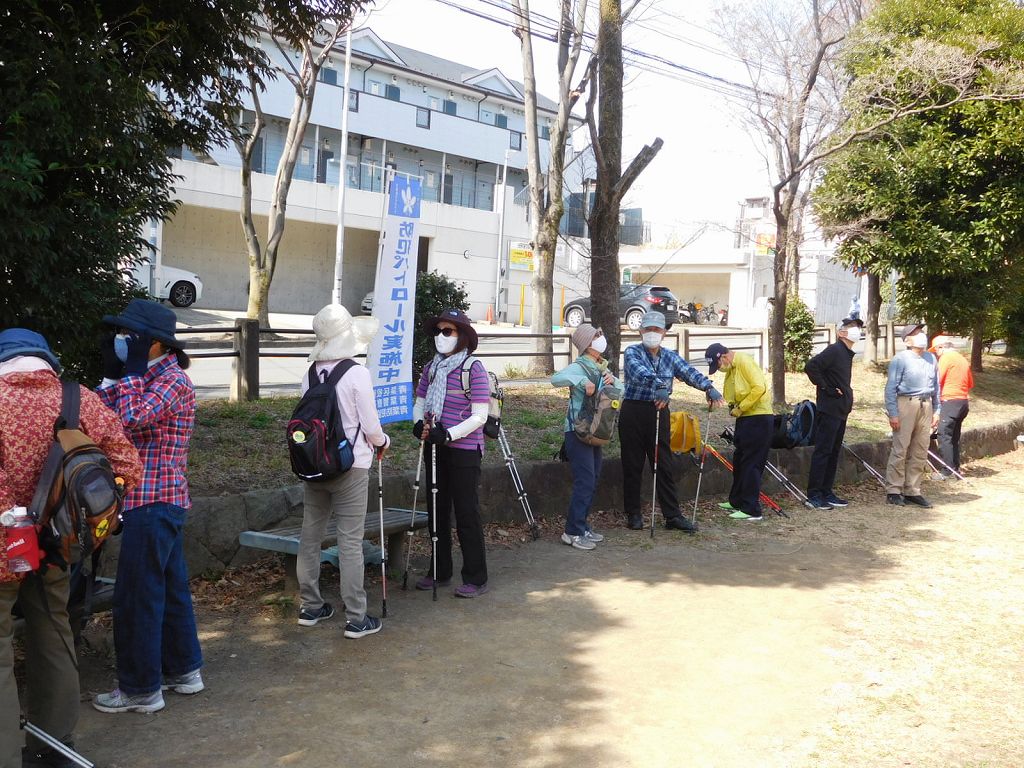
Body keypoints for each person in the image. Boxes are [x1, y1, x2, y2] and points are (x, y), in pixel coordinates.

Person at [0, 329, 141, 767]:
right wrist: (82, 521)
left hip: (4, 549)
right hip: (58, 546)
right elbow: (126, 468)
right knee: (55, 636)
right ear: (46, 361)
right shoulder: (77, 400)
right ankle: (55, 748)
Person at [92, 299, 204, 714]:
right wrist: (112, 374)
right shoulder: (143, 376)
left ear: (155, 344)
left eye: (131, 337)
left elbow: (130, 418)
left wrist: (131, 371)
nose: (124, 341)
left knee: (137, 597)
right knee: (171, 591)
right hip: (155, 501)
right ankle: (184, 670)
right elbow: (102, 418)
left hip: (153, 501)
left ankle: (140, 689)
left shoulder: (172, 380)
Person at [295, 304, 389, 638]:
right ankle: (356, 617)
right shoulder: (356, 373)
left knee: (311, 535)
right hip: (351, 467)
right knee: (350, 540)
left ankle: (310, 606)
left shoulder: (308, 373)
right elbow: (370, 424)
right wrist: (382, 441)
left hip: (314, 466)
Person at [620, 311, 725, 532]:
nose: (652, 333)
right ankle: (634, 513)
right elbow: (639, 371)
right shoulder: (632, 351)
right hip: (634, 411)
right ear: (640, 331)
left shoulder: (669, 356)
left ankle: (672, 515)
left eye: (656, 330)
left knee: (664, 464)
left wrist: (708, 386)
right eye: (647, 329)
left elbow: (688, 372)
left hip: (659, 413)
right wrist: (658, 385)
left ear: (664, 333)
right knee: (632, 465)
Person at [412, 308, 489, 597]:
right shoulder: (431, 368)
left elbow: (480, 415)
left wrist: (449, 434)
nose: (441, 337)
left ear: (462, 337)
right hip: (434, 447)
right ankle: (438, 570)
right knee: (436, 510)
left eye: (448, 331)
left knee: (466, 512)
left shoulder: (473, 369)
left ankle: (476, 577)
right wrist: (418, 423)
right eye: (438, 331)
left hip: (465, 451)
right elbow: (420, 400)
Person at [550, 324, 620, 550]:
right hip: (577, 432)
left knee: (593, 478)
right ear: (587, 344)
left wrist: (612, 382)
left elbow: (622, 391)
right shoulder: (579, 367)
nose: (601, 338)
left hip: (595, 431)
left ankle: (582, 525)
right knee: (585, 481)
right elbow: (556, 379)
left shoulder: (602, 367)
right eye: (596, 336)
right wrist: (581, 382)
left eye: (600, 334)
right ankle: (572, 531)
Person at [704, 343, 773, 521]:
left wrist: (741, 407)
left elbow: (759, 387)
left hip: (758, 418)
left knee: (752, 463)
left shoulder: (744, 362)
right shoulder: (731, 368)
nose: (719, 370)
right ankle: (736, 501)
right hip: (744, 418)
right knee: (740, 460)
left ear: (723, 357)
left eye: (717, 365)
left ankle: (752, 508)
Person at [803, 316, 863, 510]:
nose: (857, 330)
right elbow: (811, 366)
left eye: (858, 327)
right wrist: (827, 388)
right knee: (823, 451)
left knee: (834, 452)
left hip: (841, 410)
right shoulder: (834, 350)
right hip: (829, 409)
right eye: (852, 327)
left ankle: (826, 492)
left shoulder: (846, 353)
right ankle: (814, 495)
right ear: (841, 332)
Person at [883, 331, 939, 508]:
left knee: (921, 448)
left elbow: (937, 386)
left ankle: (912, 490)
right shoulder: (900, 359)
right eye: (915, 334)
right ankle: (894, 489)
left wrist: (937, 410)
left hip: (926, 404)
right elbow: (891, 387)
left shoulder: (931, 358)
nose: (921, 336)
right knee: (900, 448)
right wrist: (893, 413)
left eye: (921, 332)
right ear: (907, 340)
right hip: (906, 404)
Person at [932, 335, 974, 479]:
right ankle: (956, 469)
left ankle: (947, 470)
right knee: (954, 437)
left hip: (950, 401)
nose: (936, 353)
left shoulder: (946, 359)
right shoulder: (962, 359)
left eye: (936, 350)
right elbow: (970, 383)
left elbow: (938, 380)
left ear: (941, 347)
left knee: (944, 436)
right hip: (963, 402)